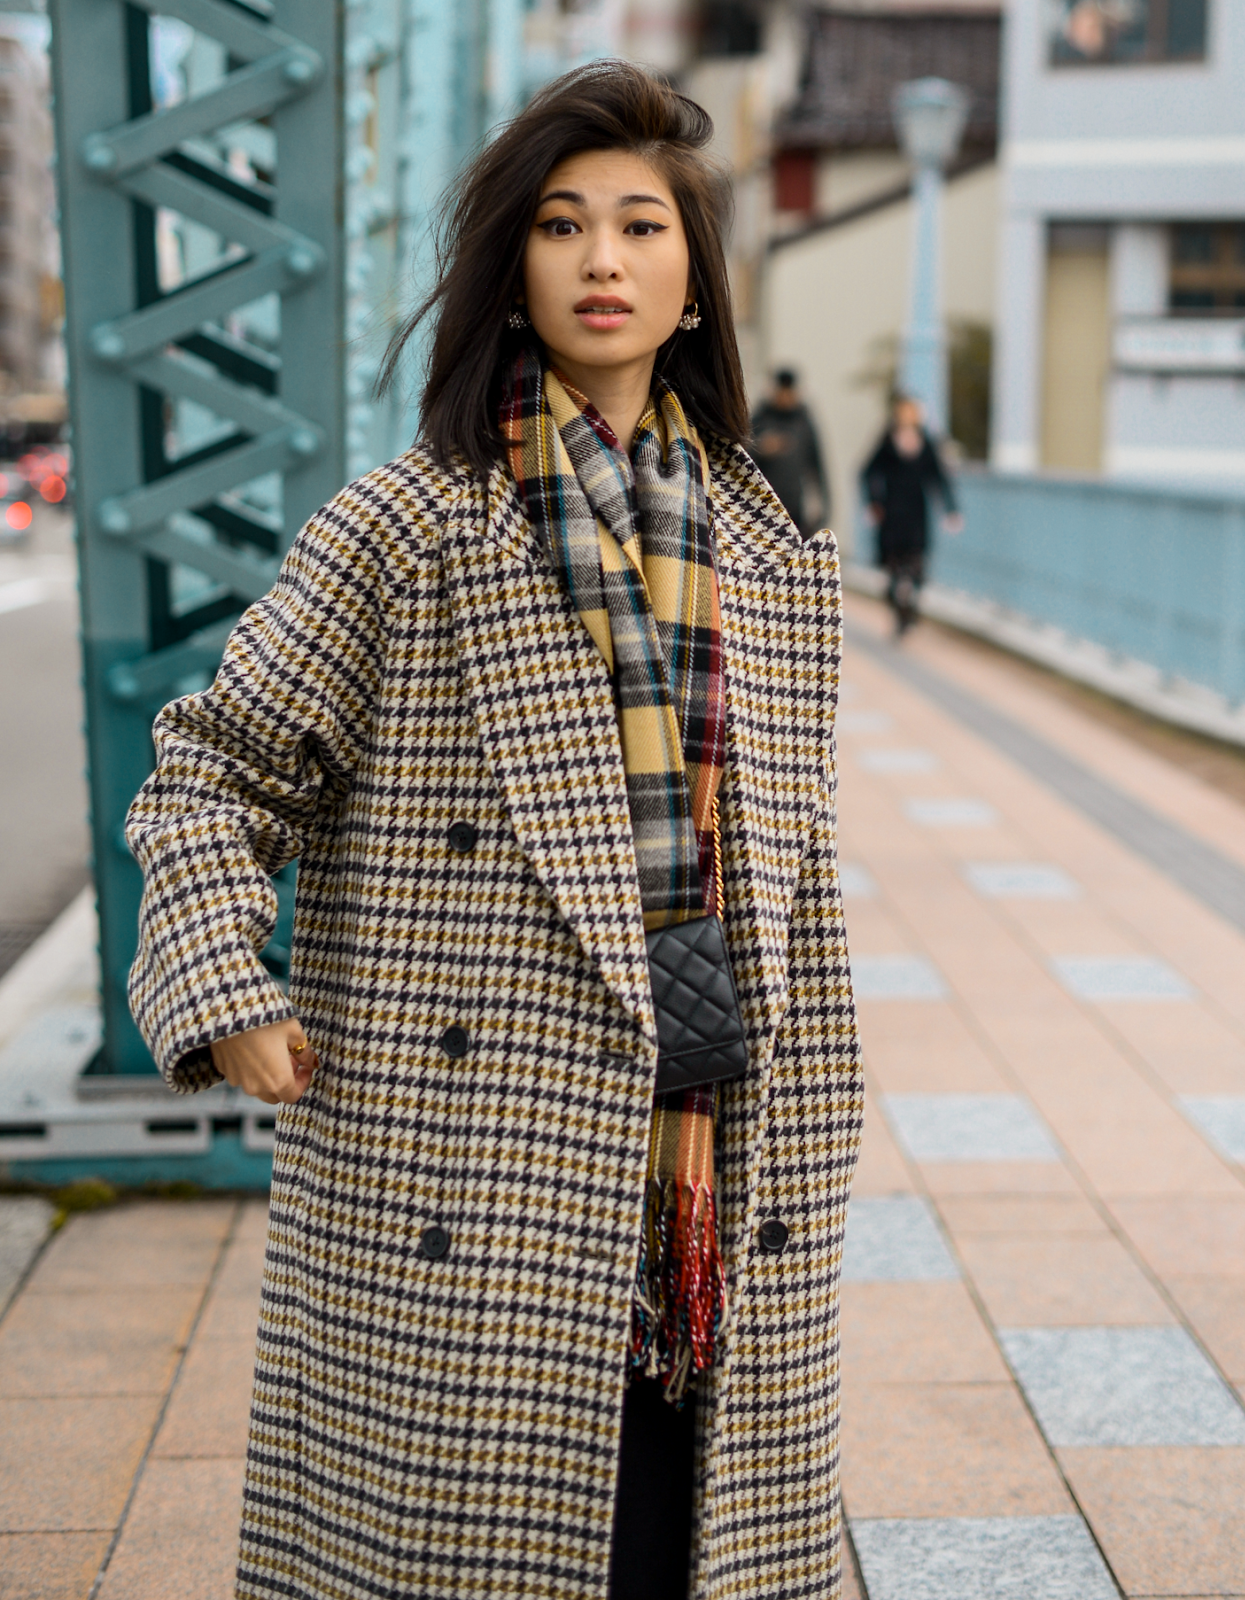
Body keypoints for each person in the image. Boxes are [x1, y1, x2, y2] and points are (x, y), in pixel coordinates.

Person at [125, 62, 862, 1600]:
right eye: (562, 226)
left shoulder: (772, 552)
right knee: (485, 1546)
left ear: (695, 280)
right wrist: (225, 987)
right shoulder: (408, 528)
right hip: (476, 1163)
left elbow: (788, 863)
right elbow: (212, 767)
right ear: (509, 273)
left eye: (643, 228)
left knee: (678, 1542)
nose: (605, 261)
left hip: (717, 1147)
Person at [860, 392, 963, 636]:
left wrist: (951, 509)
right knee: (893, 567)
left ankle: (911, 606)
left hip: (917, 513)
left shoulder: (926, 442)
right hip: (892, 512)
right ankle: (899, 608)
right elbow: (868, 472)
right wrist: (874, 501)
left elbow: (939, 477)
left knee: (917, 566)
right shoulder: (887, 441)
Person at [748, 368, 829, 536]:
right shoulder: (761, 418)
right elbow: (742, 455)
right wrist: (762, 448)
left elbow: (817, 464)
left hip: (795, 507)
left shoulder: (803, 421)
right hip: (762, 505)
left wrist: (824, 505)